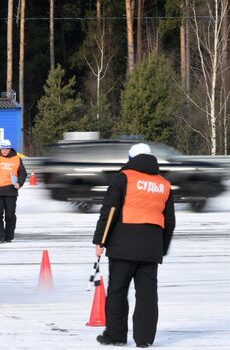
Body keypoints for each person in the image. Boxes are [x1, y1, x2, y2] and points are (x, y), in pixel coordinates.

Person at [93, 143, 176, 348]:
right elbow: (170, 221)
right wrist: (161, 248)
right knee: (147, 295)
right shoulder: (164, 184)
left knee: (118, 291)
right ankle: (145, 339)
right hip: (151, 249)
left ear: (130, 159)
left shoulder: (124, 177)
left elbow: (109, 211)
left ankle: (116, 336)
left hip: (123, 246)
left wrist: (100, 241)